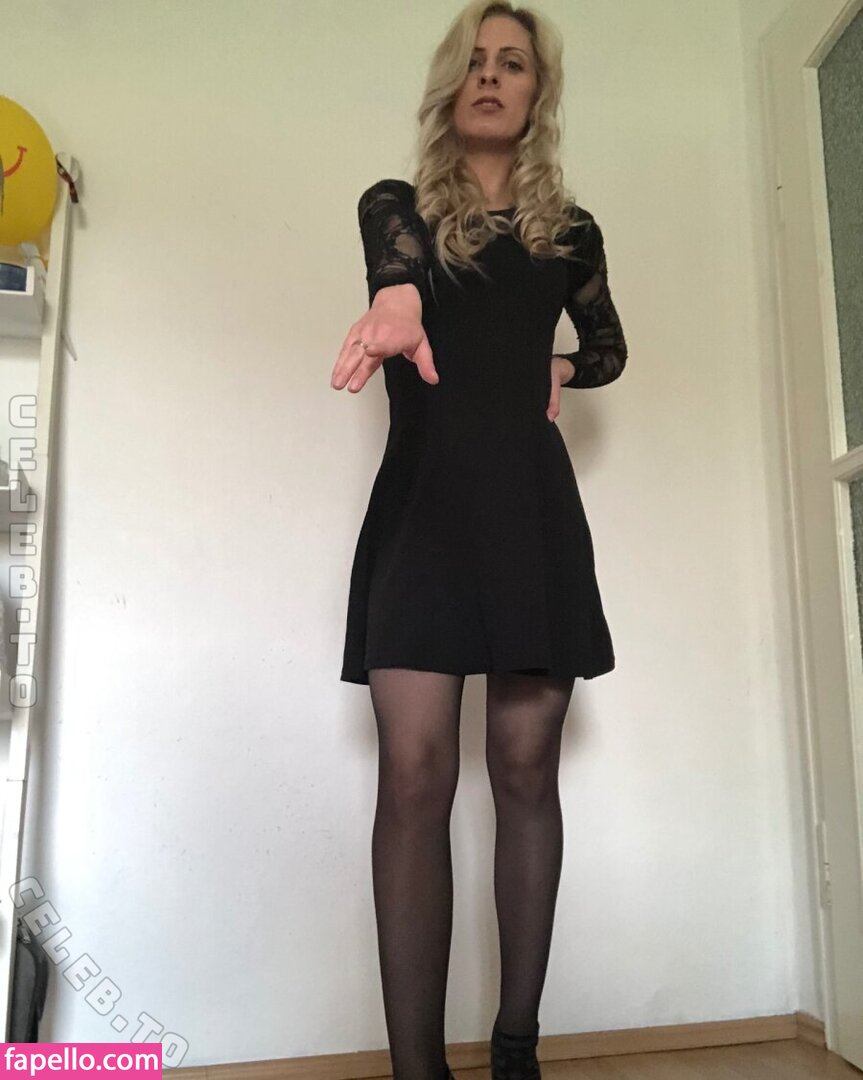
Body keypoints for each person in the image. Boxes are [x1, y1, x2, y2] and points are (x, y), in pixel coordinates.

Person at [330, 2, 627, 1078]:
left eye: (513, 63)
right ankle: (418, 1071)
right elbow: (396, 267)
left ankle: (514, 1047)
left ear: (537, 90)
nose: (492, 76)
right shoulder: (397, 207)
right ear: (450, 83)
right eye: (475, 61)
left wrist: (559, 366)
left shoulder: (569, 233)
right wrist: (398, 304)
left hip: (530, 515)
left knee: (523, 770)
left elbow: (606, 346)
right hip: (422, 512)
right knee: (412, 777)